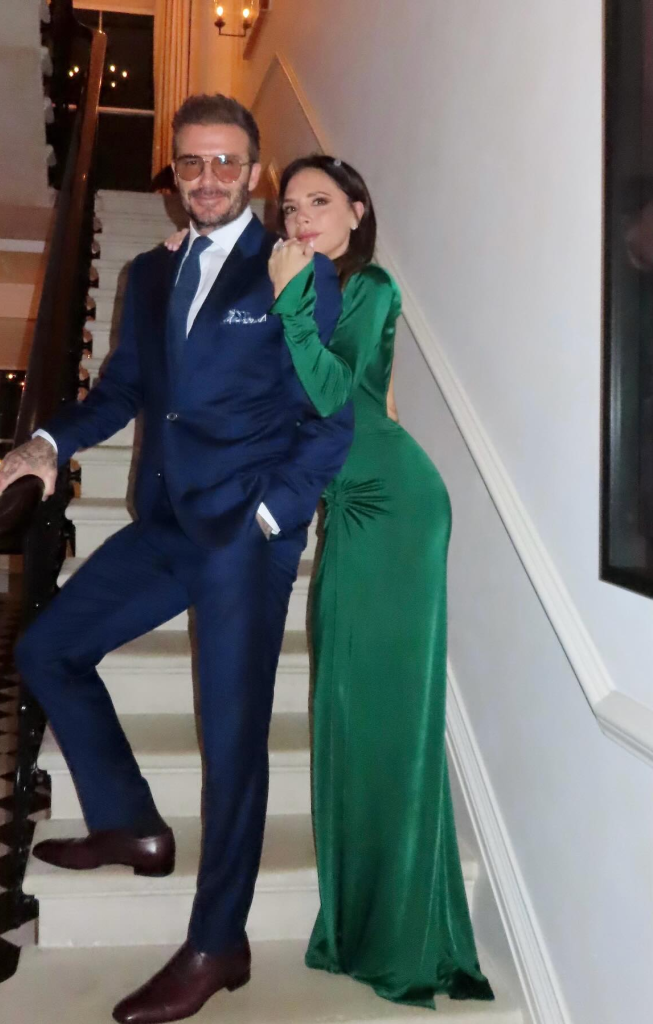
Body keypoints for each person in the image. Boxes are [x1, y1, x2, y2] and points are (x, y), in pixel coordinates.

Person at [0, 97, 353, 1024]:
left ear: (255, 172)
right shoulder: (149, 278)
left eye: (226, 163)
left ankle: (216, 941)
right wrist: (47, 443)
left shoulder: (293, 270)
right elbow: (119, 394)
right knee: (50, 648)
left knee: (233, 741)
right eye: (191, 163)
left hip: (244, 537)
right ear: (173, 169)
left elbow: (330, 420)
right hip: (165, 523)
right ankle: (130, 823)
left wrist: (273, 519)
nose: (207, 179)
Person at [265, 154, 495, 1008]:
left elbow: (340, 400)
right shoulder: (307, 290)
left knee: (389, 717)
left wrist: (289, 303)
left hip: (395, 506)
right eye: (289, 207)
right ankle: (364, 921)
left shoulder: (372, 287)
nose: (300, 219)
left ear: (358, 212)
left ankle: (405, 938)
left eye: (318, 203)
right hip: (347, 508)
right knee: (346, 709)